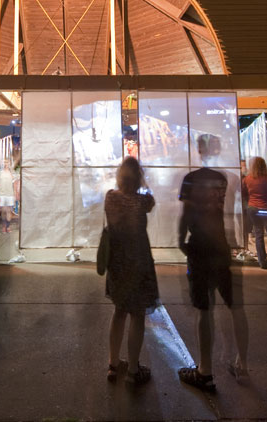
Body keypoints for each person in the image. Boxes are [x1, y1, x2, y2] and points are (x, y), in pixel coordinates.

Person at [176, 134, 250, 392]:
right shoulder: (222, 179)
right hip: (220, 246)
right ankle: (242, 364)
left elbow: (186, 213)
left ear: (200, 149)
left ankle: (205, 370)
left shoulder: (191, 179)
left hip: (200, 247)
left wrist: (180, 239)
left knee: (204, 308)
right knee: (235, 306)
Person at [103, 157, 159, 385]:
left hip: (117, 264)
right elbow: (151, 200)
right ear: (138, 177)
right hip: (139, 264)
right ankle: (134, 370)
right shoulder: (142, 201)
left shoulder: (110, 198)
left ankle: (113, 364)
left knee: (119, 312)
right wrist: (143, 183)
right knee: (137, 314)